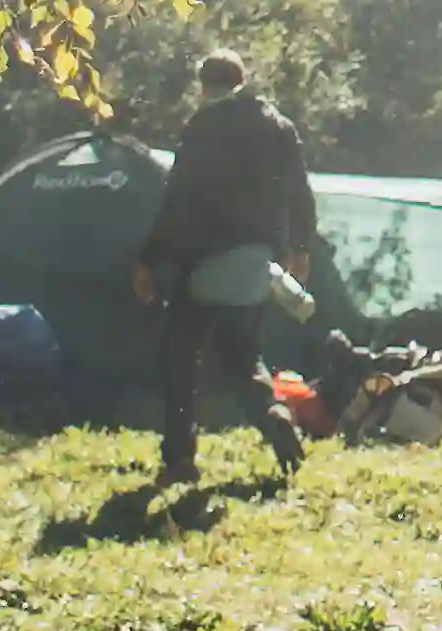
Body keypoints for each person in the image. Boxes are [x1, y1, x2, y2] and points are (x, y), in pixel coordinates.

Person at [129, 47, 319, 490]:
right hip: (257, 263)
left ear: (205, 86)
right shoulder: (278, 127)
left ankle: (179, 461)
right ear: (242, 78)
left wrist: (149, 258)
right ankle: (275, 419)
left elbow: (177, 200)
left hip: (203, 263)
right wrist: (301, 248)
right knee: (243, 358)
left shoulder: (202, 128)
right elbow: (300, 192)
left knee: (179, 359)